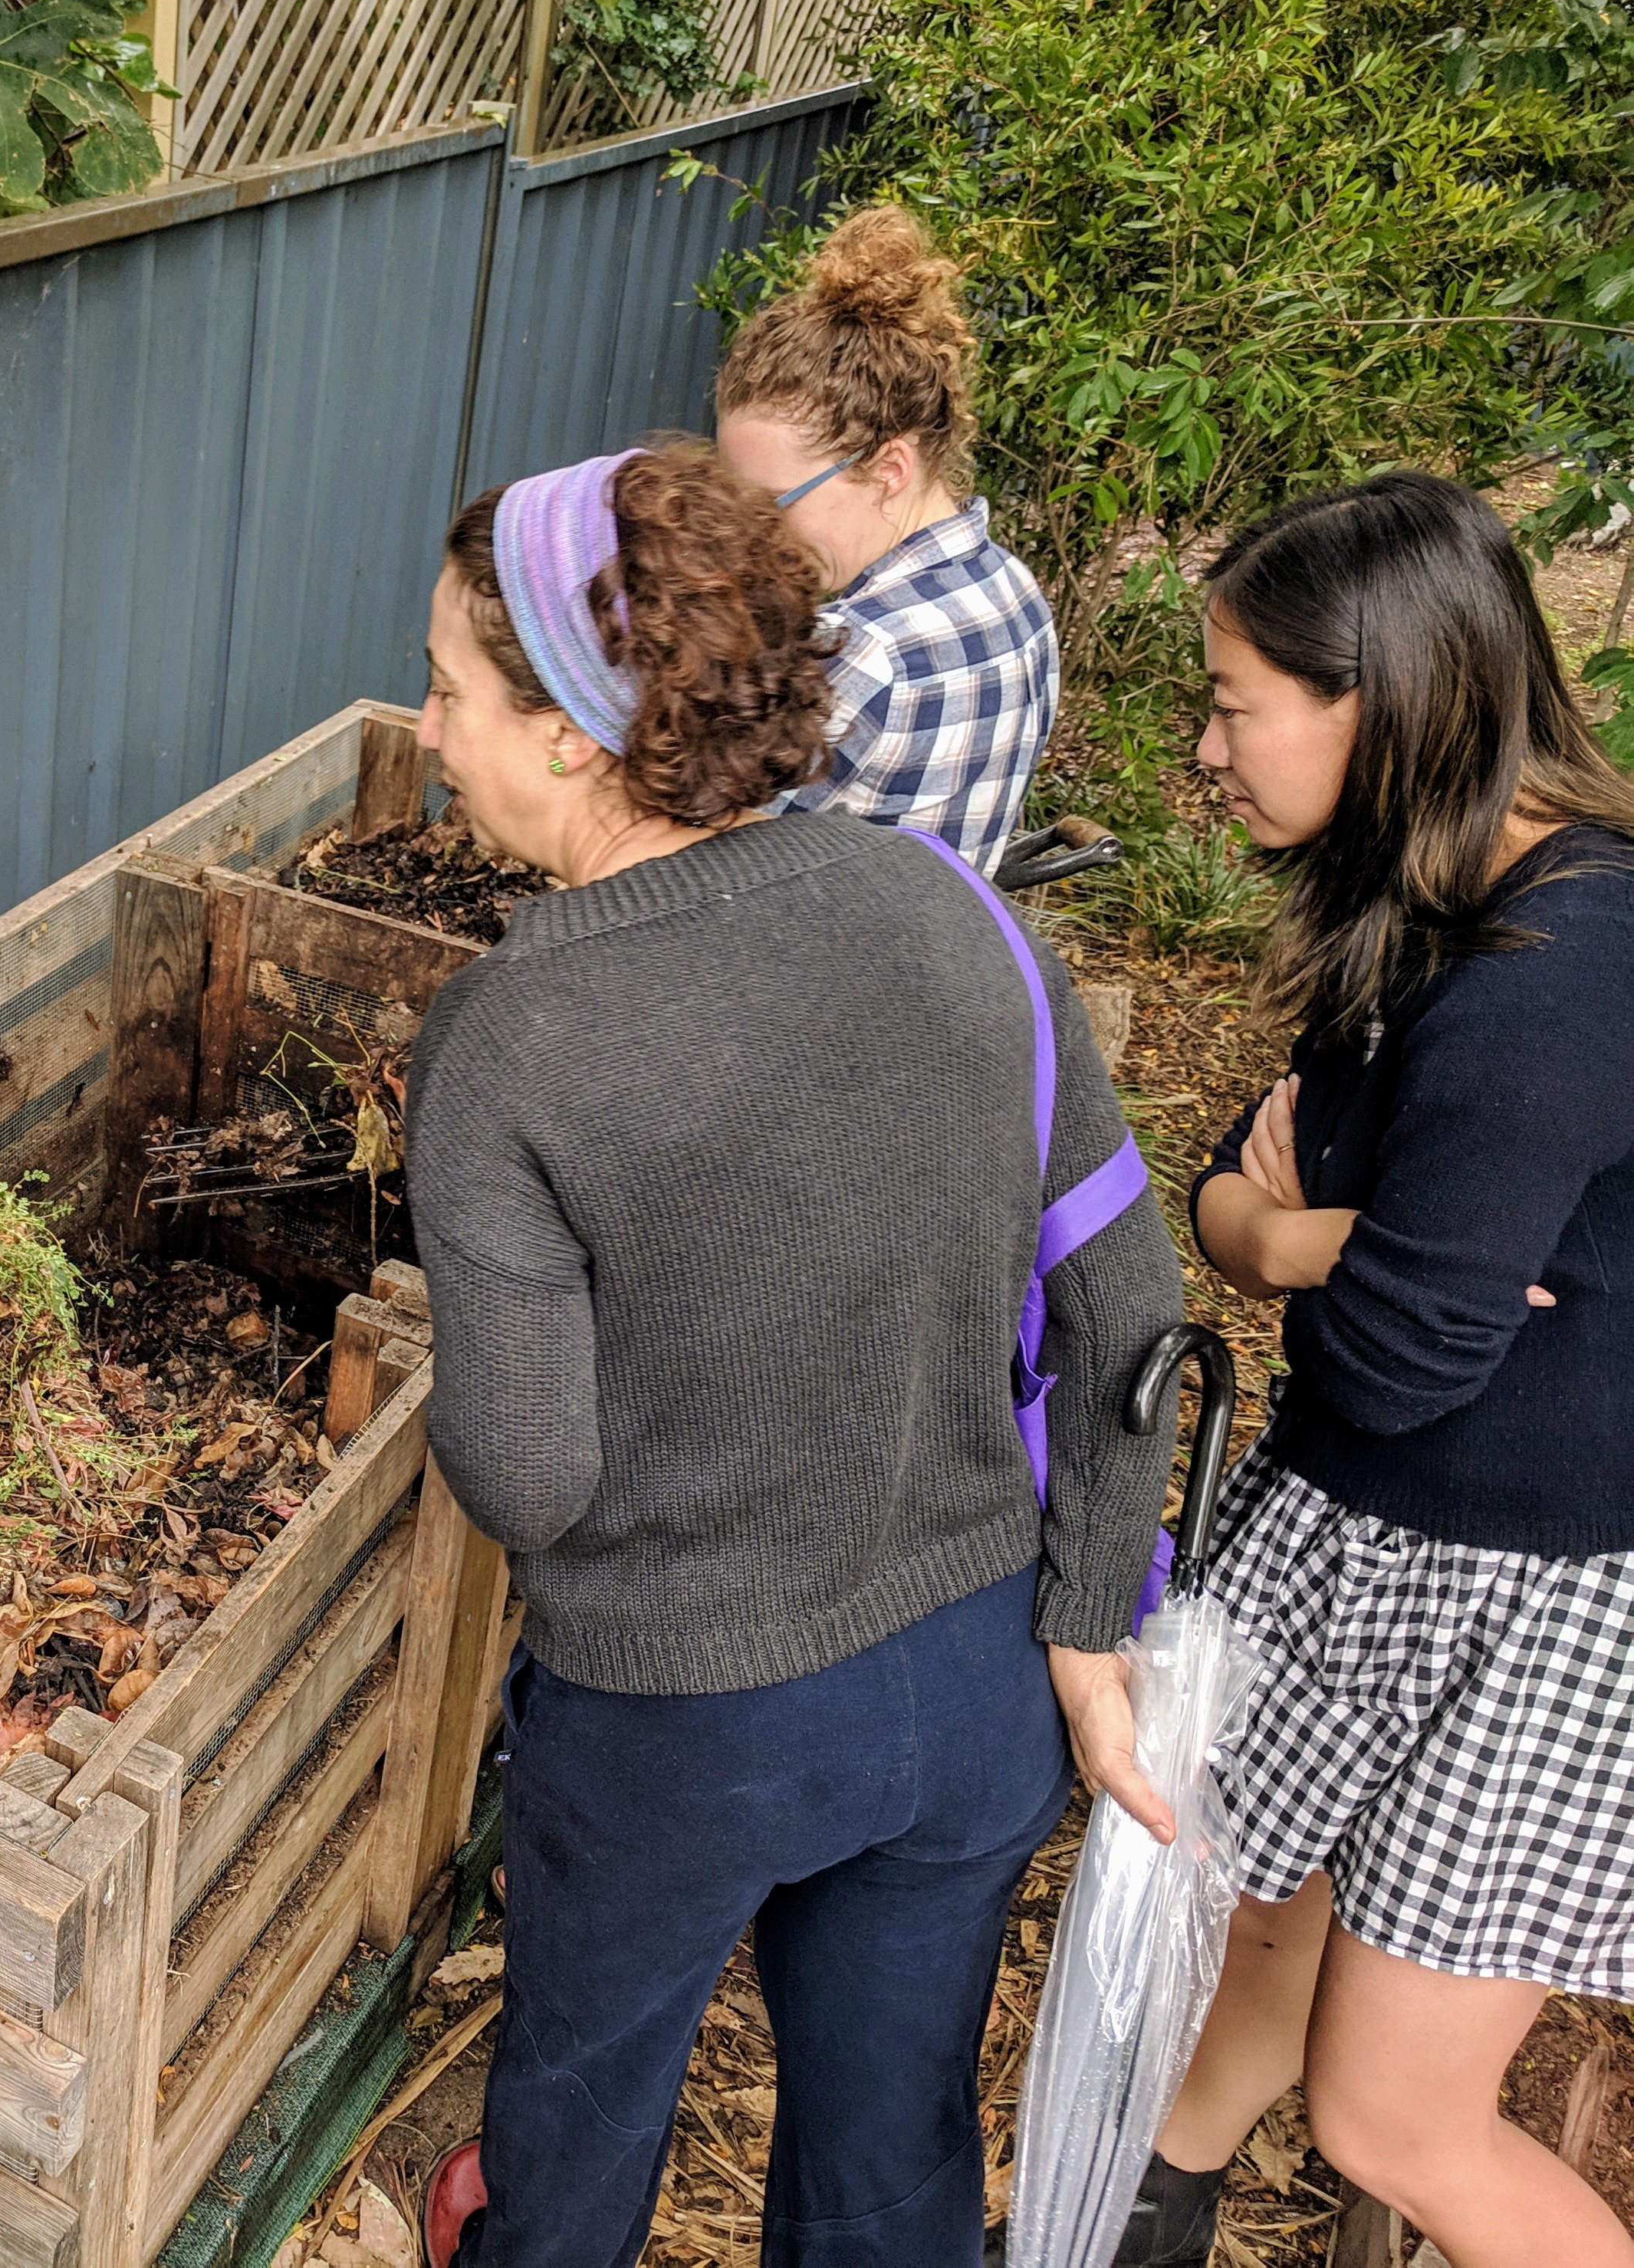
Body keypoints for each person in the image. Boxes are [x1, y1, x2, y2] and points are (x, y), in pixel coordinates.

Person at [401, 442, 1182, 2268]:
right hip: (971, 1683)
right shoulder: (960, 913)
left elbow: (530, 1473)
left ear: (577, 730)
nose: (427, 729)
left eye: (449, 689)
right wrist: (1083, 1621)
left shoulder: (509, 1032)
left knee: (579, 2127)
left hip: (678, 1724)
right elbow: (1130, 1300)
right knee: (890, 2155)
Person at [1100, 474, 1634, 2268]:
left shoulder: (1558, 968)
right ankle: (1132, 2201)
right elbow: (1246, 1166)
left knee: (1390, 2116)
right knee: (1260, 1922)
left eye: (1236, 701)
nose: (1202, 745)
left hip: (1522, 1593)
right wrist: (1284, 1239)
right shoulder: (1435, 907)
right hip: (1379, 1540)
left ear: (1382, 698)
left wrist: (1323, 1243)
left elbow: (1410, 1355)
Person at [715, 207, 1060, 873]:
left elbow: (717, 877)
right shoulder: (1015, 591)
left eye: (772, 506)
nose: (750, 538)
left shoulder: (863, 652)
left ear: (888, 470)